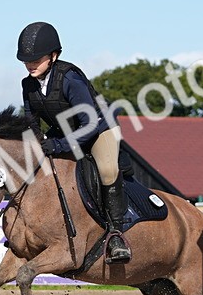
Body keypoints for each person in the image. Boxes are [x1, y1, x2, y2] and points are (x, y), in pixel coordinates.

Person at [16, 21, 130, 263]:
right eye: (27, 60)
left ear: (54, 55)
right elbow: (31, 122)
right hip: (67, 131)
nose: (30, 64)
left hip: (99, 128)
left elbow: (88, 125)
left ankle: (116, 234)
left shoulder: (70, 79)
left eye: (36, 58)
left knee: (107, 171)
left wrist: (57, 146)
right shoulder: (28, 84)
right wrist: (36, 145)